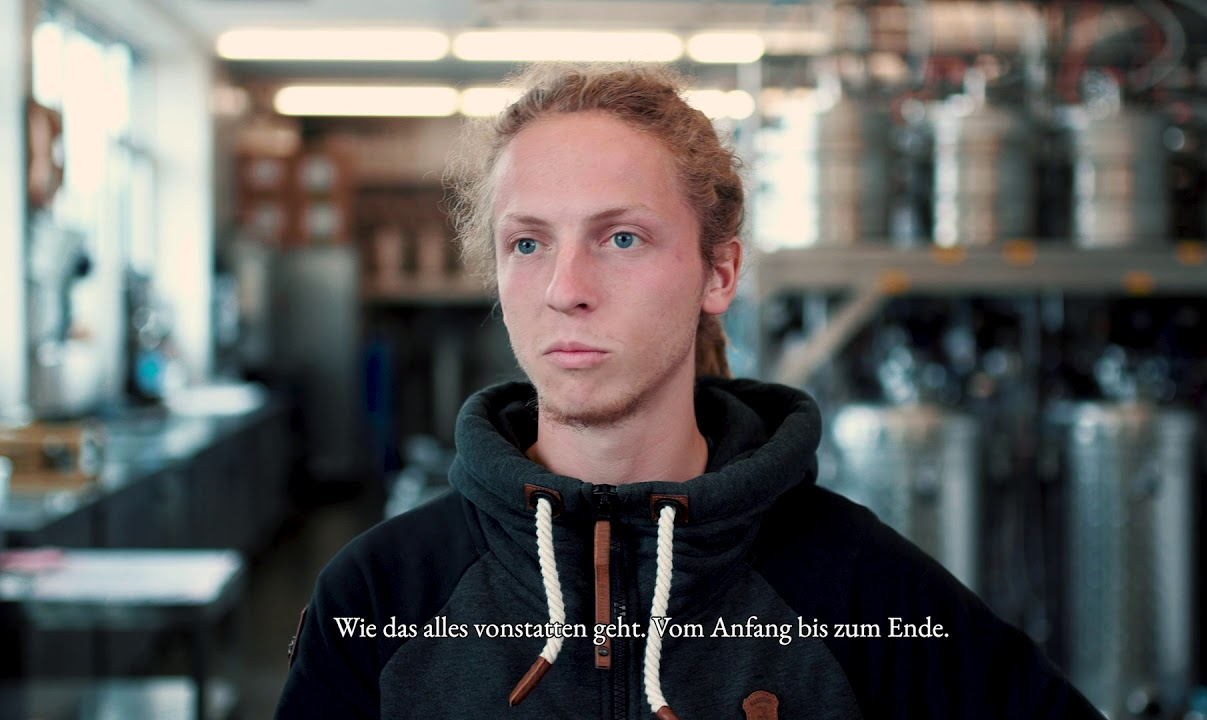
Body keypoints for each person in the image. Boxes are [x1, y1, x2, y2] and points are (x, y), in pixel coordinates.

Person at [276, 63, 1103, 719]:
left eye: (622, 237)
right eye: (528, 243)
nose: (566, 286)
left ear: (719, 272)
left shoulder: (864, 594)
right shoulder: (381, 600)